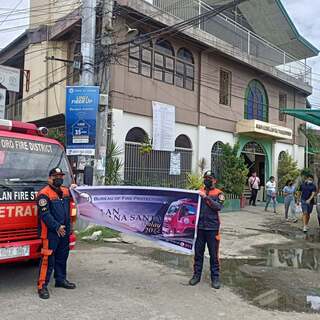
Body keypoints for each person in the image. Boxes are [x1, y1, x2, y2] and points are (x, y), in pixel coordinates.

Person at [37, 167, 76, 299]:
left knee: (62, 257)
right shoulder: (43, 194)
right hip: (51, 233)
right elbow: (45, 215)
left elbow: (77, 195)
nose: (59, 178)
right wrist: (57, 227)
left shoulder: (65, 191)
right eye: (56, 176)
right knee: (48, 259)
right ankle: (42, 286)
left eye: (60, 176)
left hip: (64, 231)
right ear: (50, 178)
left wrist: (76, 188)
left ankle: (60, 280)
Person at [189, 171, 224, 289]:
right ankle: (196, 276)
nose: (207, 180)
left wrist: (206, 197)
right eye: (205, 178)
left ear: (215, 180)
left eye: (209, 178)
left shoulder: (219, 193)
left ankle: (215, 278)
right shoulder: (200, 191)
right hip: (199, 228)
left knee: (214, 255)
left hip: (212, 228)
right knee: (198, 253)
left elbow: (218, 207)